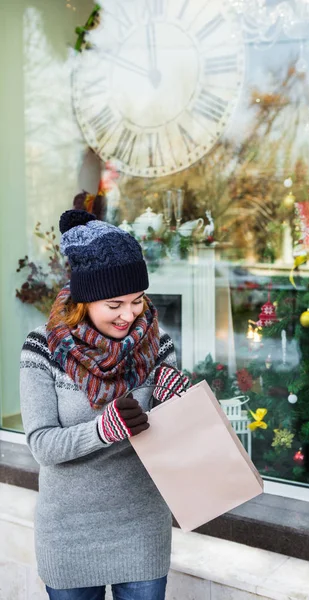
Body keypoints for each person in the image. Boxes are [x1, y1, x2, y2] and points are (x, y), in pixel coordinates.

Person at [20, 209, 180, 600]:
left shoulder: (158, 346)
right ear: (85, 301)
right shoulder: (43, 348)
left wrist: (174, 403)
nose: (130, 315)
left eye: (138, 301)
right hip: (69, 533)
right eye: (115, 305)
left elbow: (171, 442)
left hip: (142, 527)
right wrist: (102, 430)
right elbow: (42, 445)